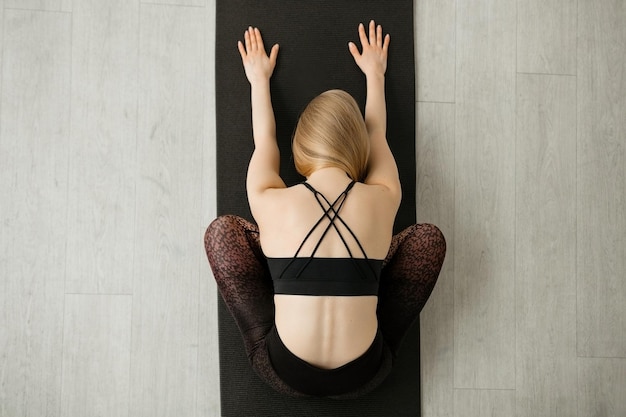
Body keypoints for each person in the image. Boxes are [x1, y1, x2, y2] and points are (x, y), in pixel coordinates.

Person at [204, 21, 446, 398]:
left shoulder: (269, 197)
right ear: (358, 149)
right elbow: (377, 133)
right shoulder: (384, 195)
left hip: (283, 372)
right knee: (429, 238)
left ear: (300, 147)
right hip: (368, 373)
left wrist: (259, 80)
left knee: (221, 231)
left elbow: (264, 138)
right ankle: (370, 314)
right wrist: (375, 75)